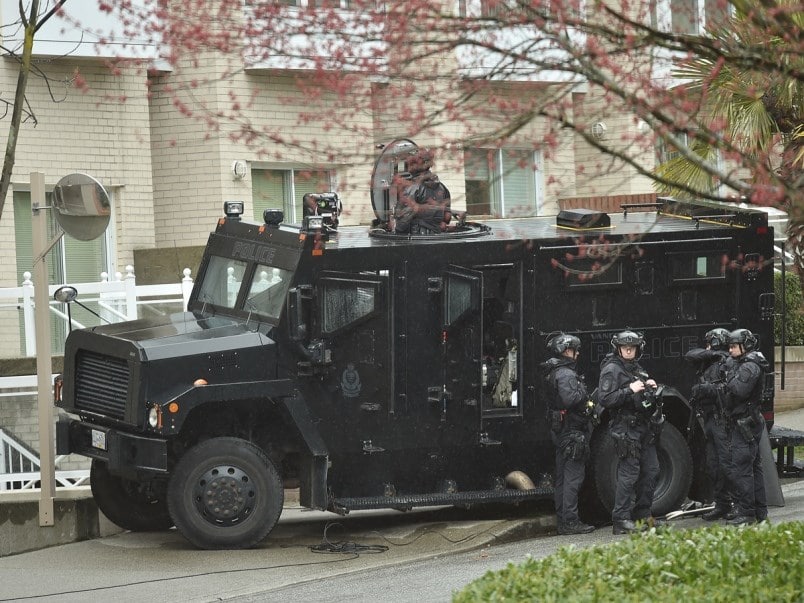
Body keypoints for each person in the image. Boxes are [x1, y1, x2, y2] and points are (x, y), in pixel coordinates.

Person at [698, 328, 768, 525]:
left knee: (742, 467)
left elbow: (738, 390)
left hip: (746, 422)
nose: (730, 350)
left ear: (745, 346)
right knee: (751, 466)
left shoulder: (750, 367)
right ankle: (759, 511)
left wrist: (720, 385)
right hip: (743, 421)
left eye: (733, 346)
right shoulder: (740, 363)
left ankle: (748, 512)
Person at [598, 330, 664, 534]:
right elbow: (605, 399)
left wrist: (650, 388)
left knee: (652, 470)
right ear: (618, 348)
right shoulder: (611, 369)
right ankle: (620, 519)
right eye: (625, 347)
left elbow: (643, 399)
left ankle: (643, 515)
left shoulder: (636, 368)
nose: (629, 349)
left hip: (643, 427)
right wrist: (629, 390)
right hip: (626, 428)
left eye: (633, 347)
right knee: (628, 474)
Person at [540, 333, 596, 535]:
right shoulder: (565, 374)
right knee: (573, 477)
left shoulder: (553, 371)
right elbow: (570, 399)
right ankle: (571, 521)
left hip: (562, 431)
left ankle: (564, 521)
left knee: (563, 478)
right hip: (572, 431)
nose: (577, 354)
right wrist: (585, 394)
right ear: (565, 351)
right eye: (574, 350)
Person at [685, 328, 736, 521]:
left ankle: (736, 504)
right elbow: (690, 355)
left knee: (727, 465)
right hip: (709, 420)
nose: (706, 346)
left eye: (709, 343)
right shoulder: (710, 360)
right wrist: (713, 353)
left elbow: (729, 391)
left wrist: (708, 389)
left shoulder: (728, 363)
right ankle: (722, 504)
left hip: (722, 420)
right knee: (713, 466)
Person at [392, 147, 452, 235]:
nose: (408, 166)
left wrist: (396, 232)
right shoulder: (443, 188)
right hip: (437, 240)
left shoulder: (413, 189)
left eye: (411, 163)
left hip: (416, 240)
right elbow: (447, 218)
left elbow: (402, 222)